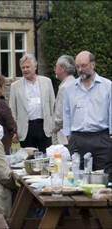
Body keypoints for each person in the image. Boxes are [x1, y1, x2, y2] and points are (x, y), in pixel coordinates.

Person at [62, 50, 112, 182]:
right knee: (78, 179)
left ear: (93, 65)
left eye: (83, 66)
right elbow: (66, 113)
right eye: (77, 67)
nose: (80, 70)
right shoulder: (71, 88)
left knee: (104, 181)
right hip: (78, 139)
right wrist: (69, 136)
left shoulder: (107, 86)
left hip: (101, 138)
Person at [9, 53, 55, 154]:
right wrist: (14, 130)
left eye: (27, 67)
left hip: (44, 127)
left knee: (46, 157)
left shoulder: (46, 82)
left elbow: (53, 105)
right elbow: (12, 109)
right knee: (29, 158)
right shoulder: (15, 86)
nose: (25, 70)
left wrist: (53, 124)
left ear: (35, 66)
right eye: (23, 67)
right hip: (26, 128)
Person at [52, 55, 75, 145]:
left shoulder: (64, 87)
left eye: (56, 67)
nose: (55, 70)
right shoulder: (75, 83)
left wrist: (53, 129)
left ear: (63, 69)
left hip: (62, 134)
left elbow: (60, 116)